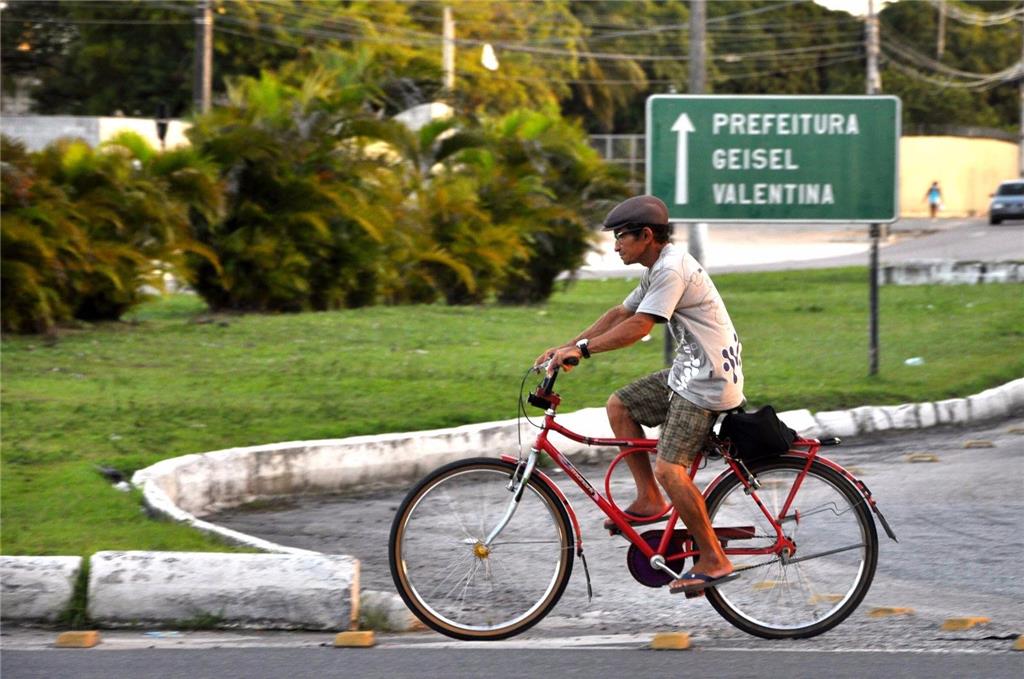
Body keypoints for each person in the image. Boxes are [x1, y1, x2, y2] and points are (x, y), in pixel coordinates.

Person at [534, 195, 745, 596]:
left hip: (708, 381)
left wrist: (582, 351)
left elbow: (638, 328)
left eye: (620, 238)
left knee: (671, 469)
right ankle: (649, 498)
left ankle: (714, 558)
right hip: (690, 371)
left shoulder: (672, 269)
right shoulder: (657, 267)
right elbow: (620, 314)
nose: (615, 246)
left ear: (646, 236)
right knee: (621, 405)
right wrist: (566, 344)